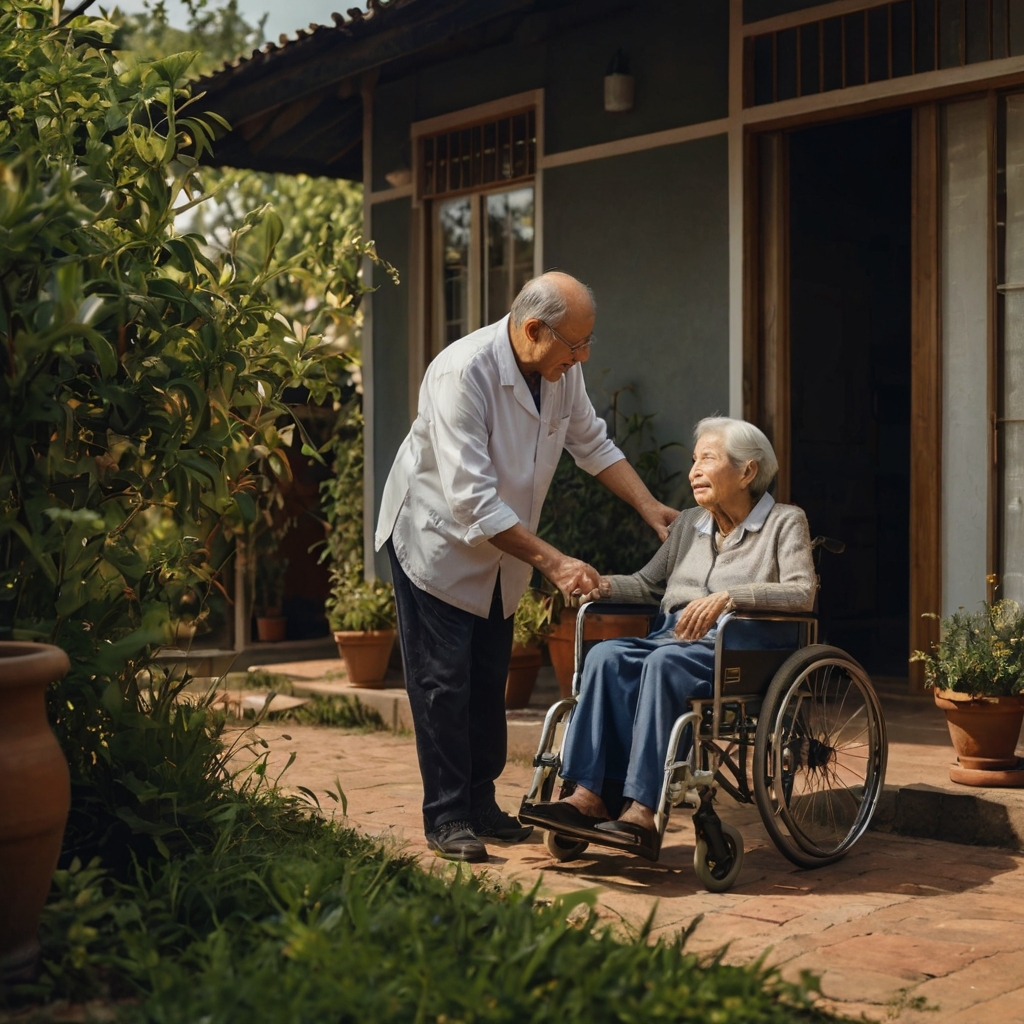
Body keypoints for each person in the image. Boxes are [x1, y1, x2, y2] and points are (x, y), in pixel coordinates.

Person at [374, 271, 679, 863]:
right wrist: (554, 562)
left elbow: (592, 443)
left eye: (588, 343)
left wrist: (650, 508)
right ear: (533, 329)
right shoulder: (463, 372)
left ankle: (481, 804)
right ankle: (448, 815)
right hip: (437, 541)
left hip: (503, 548)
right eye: (575, 344)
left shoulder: (559, 369)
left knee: (489, 677)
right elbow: (471, 502)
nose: (583, 357)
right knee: (443, 684)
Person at [520, 417, 816, 857]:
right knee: (606, 656)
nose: (694, 471)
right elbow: (647, 585)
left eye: (708, 459)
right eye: (694, 460)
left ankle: (642, 810)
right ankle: (587, 795)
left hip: (739, 648)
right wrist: (601, 585)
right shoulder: (690, 524)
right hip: (673, 638)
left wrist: (731, 597)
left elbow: (802, 591)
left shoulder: (784, 521)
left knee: (662, 664)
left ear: (747, 471)